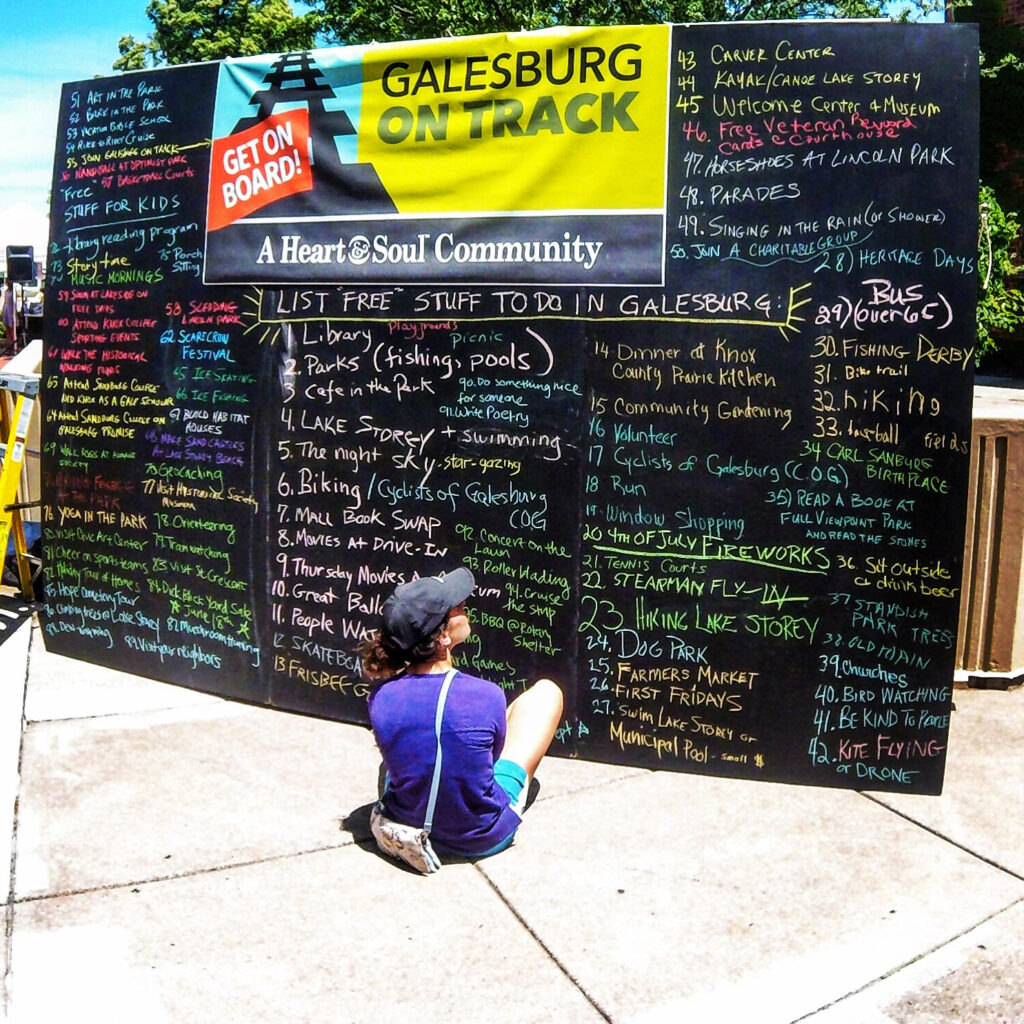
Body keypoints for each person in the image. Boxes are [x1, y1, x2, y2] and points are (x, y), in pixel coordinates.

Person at [360, 566, 563, 872]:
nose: (464, 606)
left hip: (405, 823)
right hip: (481, 836)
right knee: (547, 693)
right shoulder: (486, 695)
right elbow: (489, 762)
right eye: (457, 607)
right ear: (443, 636)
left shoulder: (380, 696)